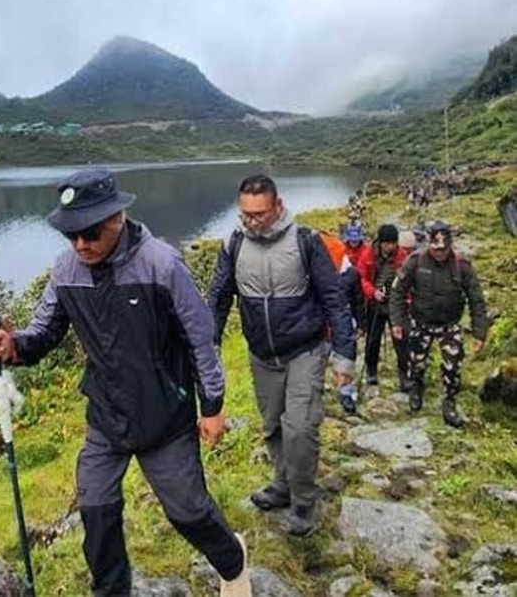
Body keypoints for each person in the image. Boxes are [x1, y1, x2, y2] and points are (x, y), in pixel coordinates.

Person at [0, 169, 250, 596]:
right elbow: (44, 333)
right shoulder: (67, 269)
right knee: (97, 514)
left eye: (89, 234)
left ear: (117, 218)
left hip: (165, 416)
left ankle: (233, 564)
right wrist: (12, 346)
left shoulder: (160, 263)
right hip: (106, 415)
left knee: (188, 512)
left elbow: (200, 336)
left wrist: (212, 407)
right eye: (71, 235)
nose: (80, 245)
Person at [208, 174, 356, 537]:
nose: (252, 221)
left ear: (277, 205)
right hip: (261, 355)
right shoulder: (234, 244)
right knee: (274, 425)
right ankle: (283, 483)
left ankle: (305, 498)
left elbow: (334, 299)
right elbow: (219, 296)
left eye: (259, 213)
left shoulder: (306, 241)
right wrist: (207, 345)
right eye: (246, 214)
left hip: (304, 350)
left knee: (301, 428)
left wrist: (344, 356)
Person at [389, 221, 489, 428]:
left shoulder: (462, 264)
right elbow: (398, 291)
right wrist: (397, 321)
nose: (440, 252)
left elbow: (476, 299)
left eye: (444, 248)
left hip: (450, 325)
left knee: (452, 366)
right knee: (416, 363)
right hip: (421, 322)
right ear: (428, 244)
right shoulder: (415, 261)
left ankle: (449, 403)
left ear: (450, 244)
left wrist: (480, 332)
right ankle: (416, 388)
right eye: (436, 248)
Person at [356, 224, 410, 395]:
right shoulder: (368, 254)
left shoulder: (402, 255)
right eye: (386, 243)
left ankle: (404, 375)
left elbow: (408, 280)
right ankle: (371, 371)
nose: (390, 247)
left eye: (393, 243)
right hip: (374, 303)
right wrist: (372, 292)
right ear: (380, 242)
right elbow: (361, 278)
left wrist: (406, 300)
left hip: (396, 304)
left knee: (401, 340)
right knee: (373, 339)